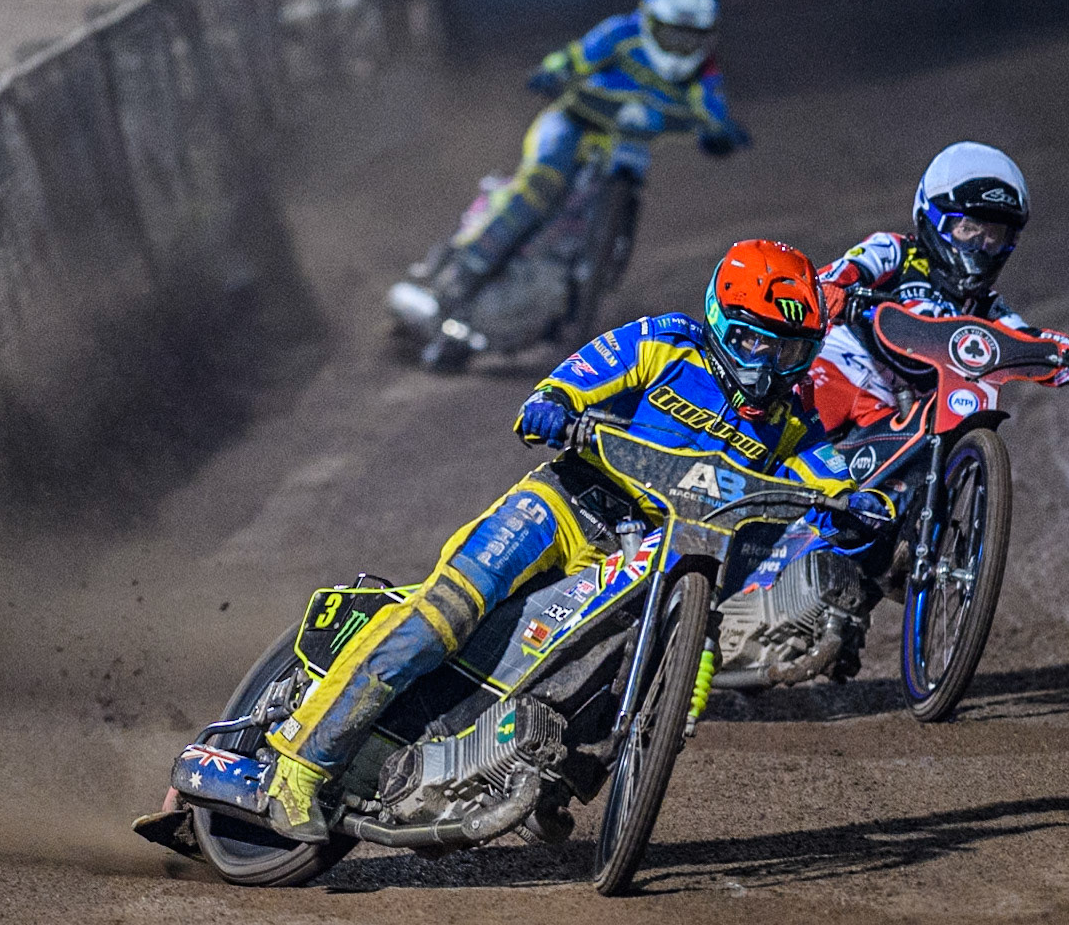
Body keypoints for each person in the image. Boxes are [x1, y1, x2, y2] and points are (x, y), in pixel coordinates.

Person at [212, 240, 891, 842]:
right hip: (564, 505)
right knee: (444, 616)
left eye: (787, 351)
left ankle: (541, 777)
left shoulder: (793, 419)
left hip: (647, 557)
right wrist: (555, 406)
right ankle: (299, 765)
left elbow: (833, 478)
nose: (766, 365)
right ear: (720, 320)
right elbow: (573, 379)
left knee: (622, 675)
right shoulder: (666, 341)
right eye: (753, 341)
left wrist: (865, 505)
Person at [395, 0, 750, 364]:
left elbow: (712, 110)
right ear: (650, 20)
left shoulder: (705, 71)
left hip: (624, 147)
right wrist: (552, 71)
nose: (682, 46)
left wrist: (722, 133)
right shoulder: (620, 34)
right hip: (571, 127)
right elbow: (576, 56)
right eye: (673, 34)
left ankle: (572, 290)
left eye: (692, 37)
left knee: (617, 207)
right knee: (541, 184)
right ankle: (460, 276)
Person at [812, 142, 1069, 433]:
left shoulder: (986, 307)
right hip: (841, 371)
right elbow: (841, 272)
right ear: (933, 219)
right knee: (804, 423)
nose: (982, 246)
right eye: (969, 229)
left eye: (995, 235)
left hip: (897, 414)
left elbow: (1029, 340)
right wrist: (832, 289)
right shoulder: (894, 251)